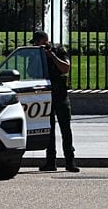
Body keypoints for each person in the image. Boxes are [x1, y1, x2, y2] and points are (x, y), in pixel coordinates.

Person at [34, 30, 77, 172]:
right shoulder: (37, 54)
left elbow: (65, 68)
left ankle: (70, 162)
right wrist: (36, 58)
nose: (35, 44)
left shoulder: (58, 50)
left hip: (60, 94)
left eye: (37, 42)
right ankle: (50, 161)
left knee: (65, 129)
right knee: (49, 129)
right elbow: (31, 72)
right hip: (46, 94)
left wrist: (51, 56)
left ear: (45, 40)